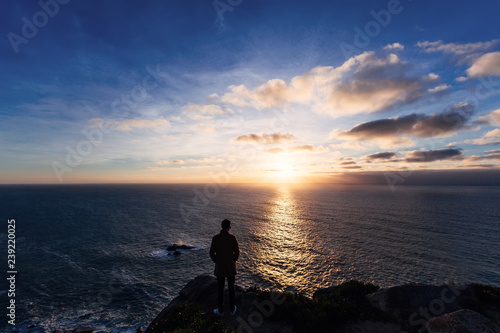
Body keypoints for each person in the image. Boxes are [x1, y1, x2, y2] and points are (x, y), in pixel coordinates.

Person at [210, 219, 240, 316]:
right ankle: (232, 310)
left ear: (221, 226)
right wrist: (233, 260)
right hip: (231, 267)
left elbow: (211, 253)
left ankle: (220, 310)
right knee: (231, 288)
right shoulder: (232, 238)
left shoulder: (215, 238)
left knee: (220, 289)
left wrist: (216, 261)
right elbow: (237, 252)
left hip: (220, 267)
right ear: (228, 227)